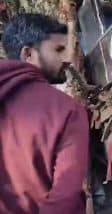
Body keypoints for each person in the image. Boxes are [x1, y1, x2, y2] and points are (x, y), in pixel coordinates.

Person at [0, 14, 89, 214]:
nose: (67, 58)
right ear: (28, 54)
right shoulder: (66, 110)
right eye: (58, 49)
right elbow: (64, 199)